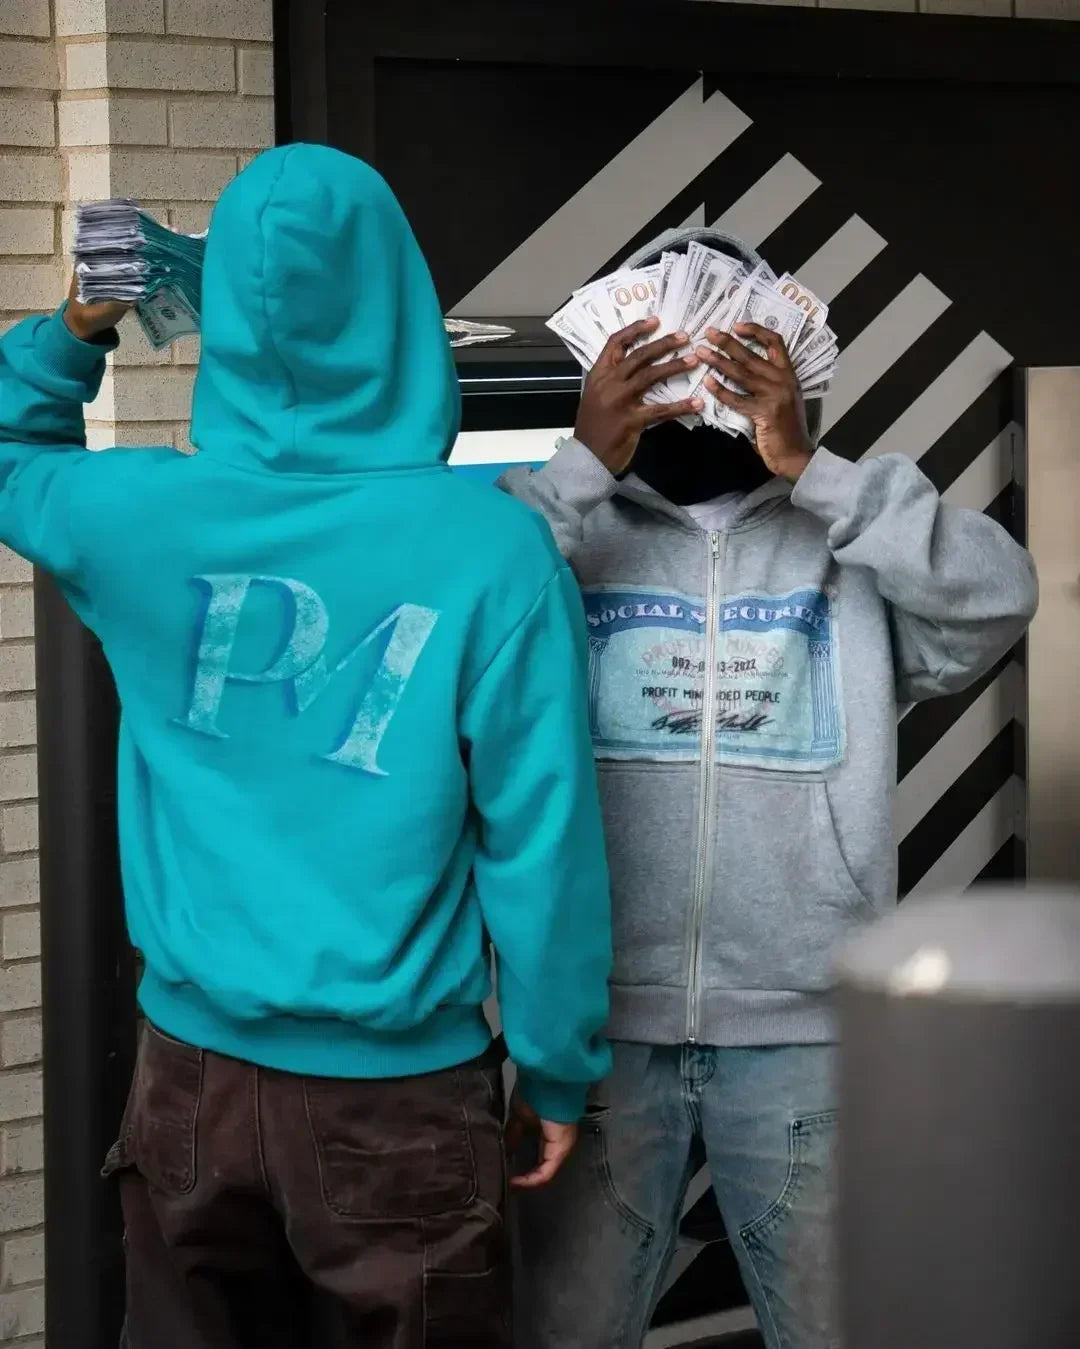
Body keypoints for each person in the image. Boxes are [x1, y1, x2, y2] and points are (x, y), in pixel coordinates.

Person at [0, 144, 612, 1349]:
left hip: (188, 1075)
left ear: (223, 311)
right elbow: (541, 844)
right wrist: (555, 1066)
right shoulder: (494, 554)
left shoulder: (131, 514)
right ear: (401, 305)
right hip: (401, 1096)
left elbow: (16, 449)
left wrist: (78, 324)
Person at [501, 226, 1038, 1349]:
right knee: (558, 1333)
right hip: (591, 1028)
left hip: (809, 1030)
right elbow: (456, 619)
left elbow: (998, 596)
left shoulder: (850, 542)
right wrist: (582, 467)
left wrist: (813, 469)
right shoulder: (553, 541)